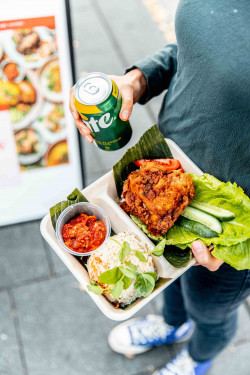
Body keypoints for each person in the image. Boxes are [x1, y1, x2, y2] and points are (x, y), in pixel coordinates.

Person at [69, 0, 250, 373]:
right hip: (159, 179)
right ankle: (172, 324)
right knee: (168, 280)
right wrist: (139, 79)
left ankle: (198, 358)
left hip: (228, 224)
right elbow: (197, 49)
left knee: (209, 309)